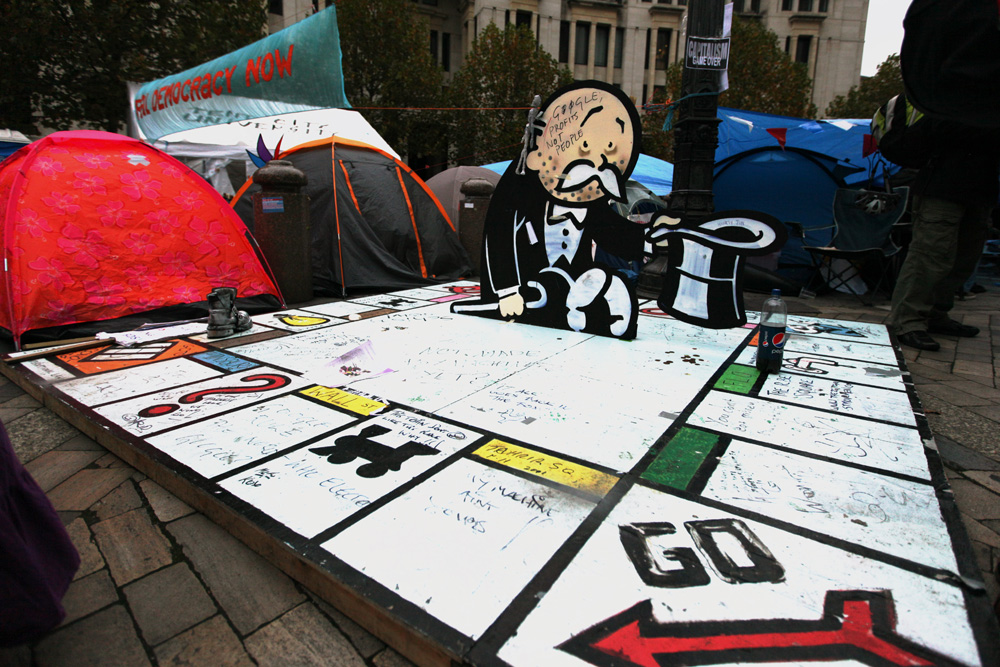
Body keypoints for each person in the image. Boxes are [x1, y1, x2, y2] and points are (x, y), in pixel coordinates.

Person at [453, 81, 663, 339]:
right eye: (585, 146)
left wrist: (652, 240)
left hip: (571, 301)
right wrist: (507, 291)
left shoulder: (591, 199)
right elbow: (499, 235)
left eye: (608, 149)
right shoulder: (520, 186)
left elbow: (612, 232)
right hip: (525, 300)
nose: (597, 162)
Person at [887, 121, 1000, 351]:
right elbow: (936, 130)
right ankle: (907, 321)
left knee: (964, 257)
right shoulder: (951, 103)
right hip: (943, 185)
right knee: (930, 255)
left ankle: (936, 314)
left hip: (980, 189)